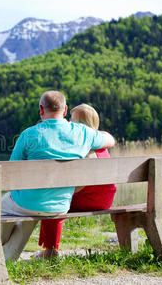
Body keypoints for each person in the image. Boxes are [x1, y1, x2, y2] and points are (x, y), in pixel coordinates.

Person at [1, 91, 115, 261]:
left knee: (5, 204)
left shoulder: (28, 134)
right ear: (65, 110)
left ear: (41, 109)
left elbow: (9, 173)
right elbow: (110, 140)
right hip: (60, 205)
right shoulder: (83, 133)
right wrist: (104, 135)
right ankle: (7, 256)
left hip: (28, 202)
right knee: (29, 209)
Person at [35, 103, 117, 258]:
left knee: (53, 202)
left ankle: (50, 251)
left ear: (79, 124)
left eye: (71, 120)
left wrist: (62, 193)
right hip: (106, 199)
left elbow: (80, 184)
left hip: (90, 199)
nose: (68, 124)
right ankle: (47, 250)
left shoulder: (82, 145)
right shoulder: (100, 142)